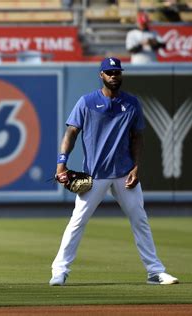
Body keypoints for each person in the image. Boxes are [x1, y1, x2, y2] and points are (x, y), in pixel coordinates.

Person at [49, 57, 179, 286]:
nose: (113, 76)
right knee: (77, 221)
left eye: (117, 72)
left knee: (140, 219)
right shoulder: (87, 102)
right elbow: (71, 133)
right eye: (109, 72)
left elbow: (138, 137)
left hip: (124, 173)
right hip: (95, 174)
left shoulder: (131, 103)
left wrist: (137, 167)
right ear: (101, 75)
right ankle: (59, 271)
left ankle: (155, 271)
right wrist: (62, 163)